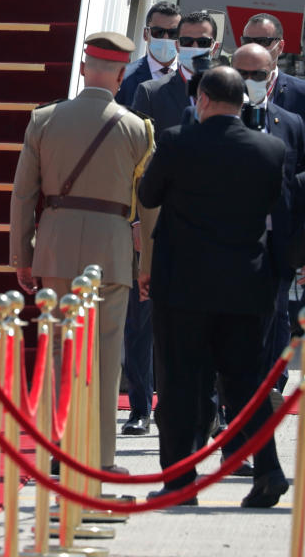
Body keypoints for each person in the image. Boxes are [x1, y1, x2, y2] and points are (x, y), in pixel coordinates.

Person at [139, 66, 288, 508]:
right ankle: (268, 470)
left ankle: (181, 481)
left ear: (201, 99)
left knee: (180, 382)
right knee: (245, 384)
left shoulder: (176, 141)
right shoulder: (270, 149)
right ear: (244, 102)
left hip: (183, 284)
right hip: (246, 283)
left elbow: (148, 195)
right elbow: (278, 213)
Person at [9, 32, 155, 472]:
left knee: (56, 352)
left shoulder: (44, 120)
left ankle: (57, 451)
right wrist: (147, 265)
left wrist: (22, 255)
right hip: (111, 251)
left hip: (54, 246)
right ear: (122, 73)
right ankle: (100, 457)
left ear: (82, 68)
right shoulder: (137, 128)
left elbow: (22, 196)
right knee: (108, 358)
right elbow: (148, 206)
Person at [115, 1, 181, 435]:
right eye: (160, 32)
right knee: (139, 320)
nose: (169, 41)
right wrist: (135, 218)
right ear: (146, 33)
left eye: (175, 34)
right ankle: (140, 403)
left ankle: (180, 402)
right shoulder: (130, 82)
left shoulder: (207, 81)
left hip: (193, 213)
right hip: (143, 215)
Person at [132, 10, 221, 137]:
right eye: (187, 42)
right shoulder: (151, 93)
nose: (194, 47)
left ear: (215, 47)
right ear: (177, 45)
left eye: (203, 42)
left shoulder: (229, 93)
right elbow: (138, 146)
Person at [115, 0, 181, 107]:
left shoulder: (192, 79)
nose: (165, 38)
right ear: (146, 34)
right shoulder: (124, 78)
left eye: (173, 33)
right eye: (158, 32)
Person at [241, 12, 305, 118]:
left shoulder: (301, 93)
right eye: (247, 41)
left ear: (280, 47)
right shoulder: (228, 90)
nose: (253, 47)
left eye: (262, 41)